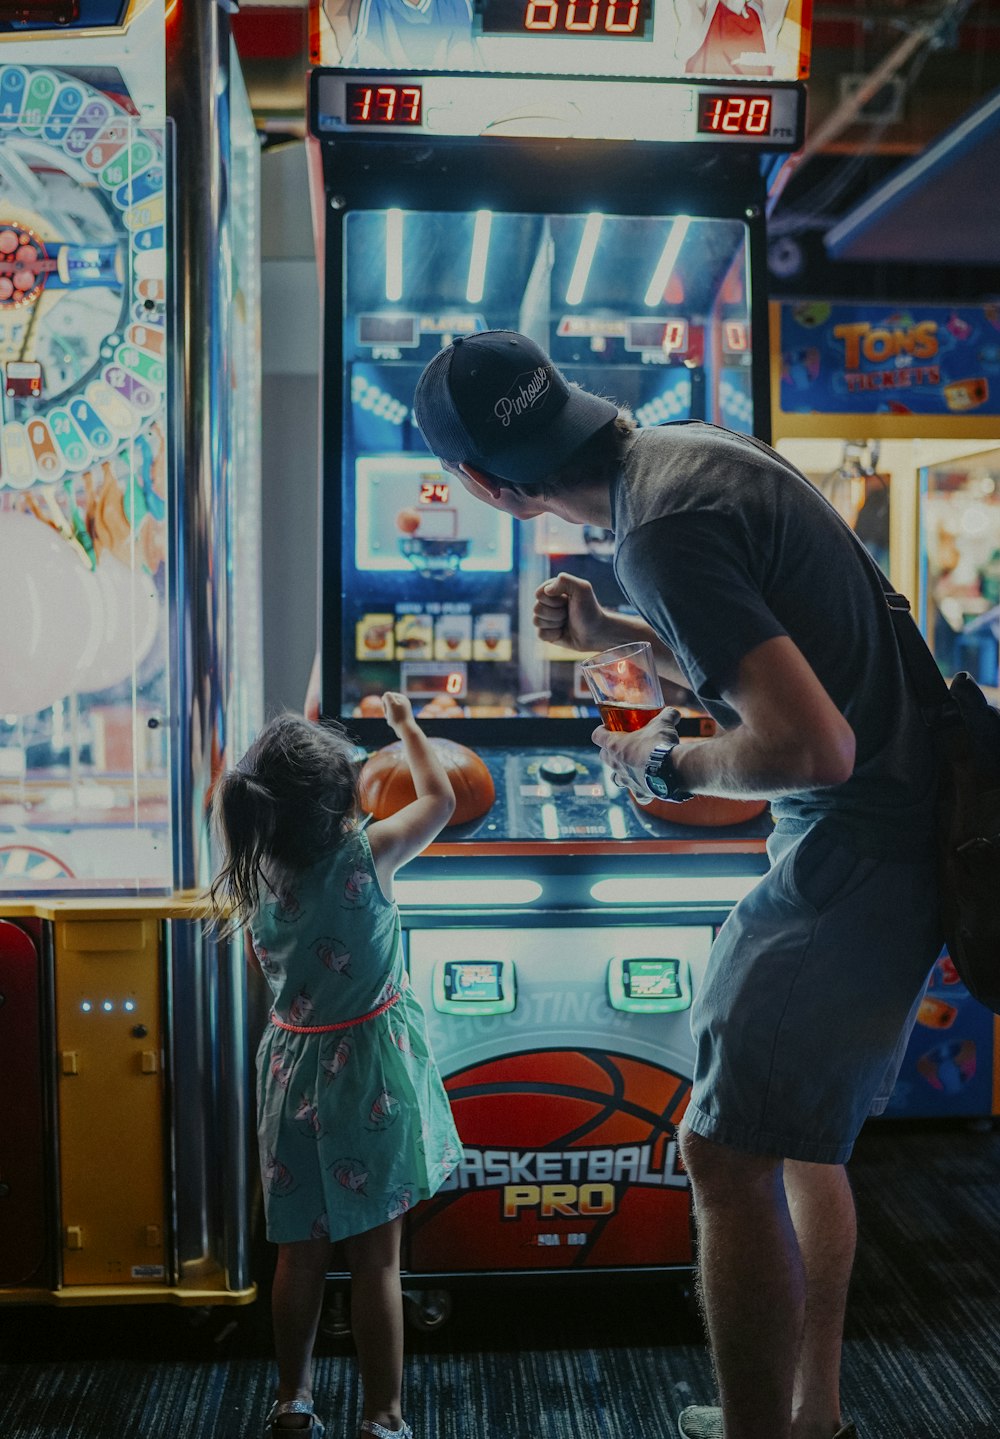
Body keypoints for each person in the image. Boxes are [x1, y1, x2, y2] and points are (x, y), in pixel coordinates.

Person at [412, 330, 943, 1439]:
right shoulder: (683, 451)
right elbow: (777, 654)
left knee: (722, 1147)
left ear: (484, 488)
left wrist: (662, 758)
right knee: (800, 1136)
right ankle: (811, 1413)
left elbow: (808, 745)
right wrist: (619, 638)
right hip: (896, 825)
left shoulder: (654, 530)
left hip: (856, 839)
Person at [210, 698, 462, 1439]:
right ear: (340, 798)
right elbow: (442, 797)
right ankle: (382, 1416)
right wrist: (410, 730)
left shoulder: (256, 868)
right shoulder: (370, 855)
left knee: (298, 1255)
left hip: (290, 1069)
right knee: (377, 1262)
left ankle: (294, 1398)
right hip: (367, 1078)